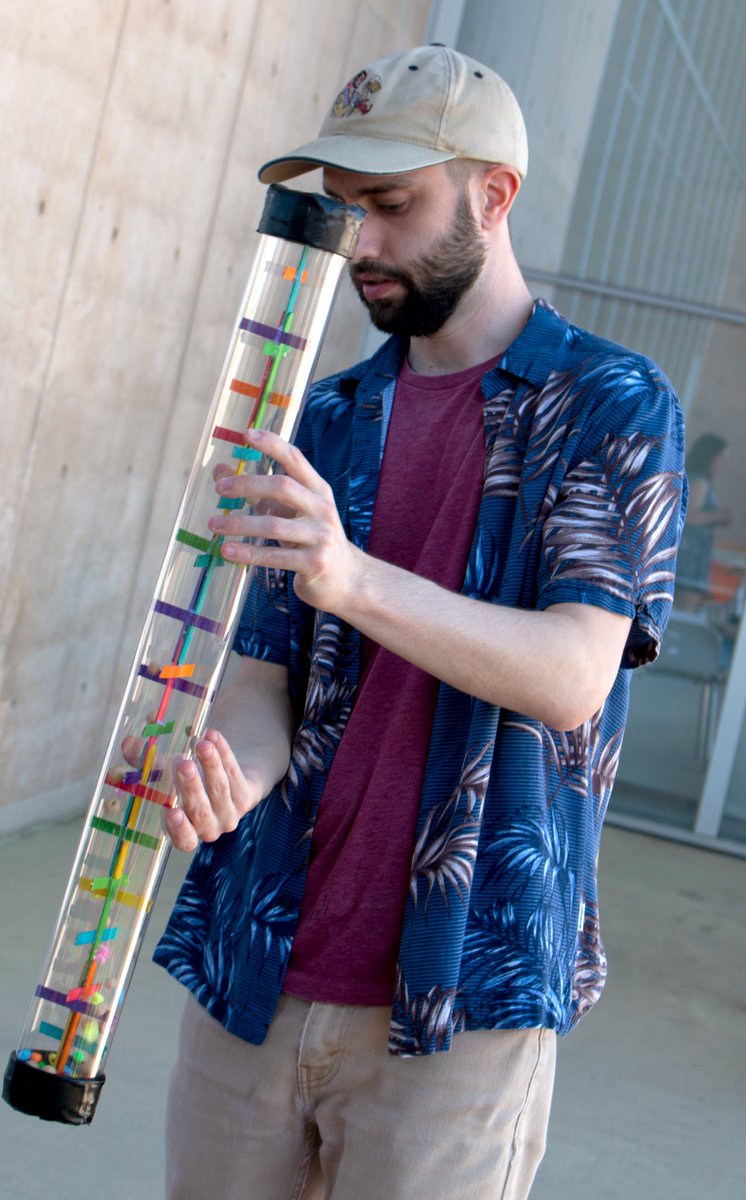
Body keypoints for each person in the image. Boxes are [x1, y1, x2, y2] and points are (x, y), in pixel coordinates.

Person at [152, 44, 687, 1200]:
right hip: (255, 963)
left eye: (391, 205)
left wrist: (351, 577)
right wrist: (225, 774)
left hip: (459, 1007)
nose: (362, 241)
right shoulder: (326, 416)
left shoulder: (609, 404)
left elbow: (570, 674)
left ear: (492, 195)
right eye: (347, 207)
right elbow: (265, 680)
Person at [675, 433, 730, 609]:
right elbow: (690, 516)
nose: (723, 463)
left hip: (688, 560)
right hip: (689, 562)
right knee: (685, 610)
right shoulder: (699, 482)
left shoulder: (690, 478)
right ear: (710, 456)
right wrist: (720, 516)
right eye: (721, 457)